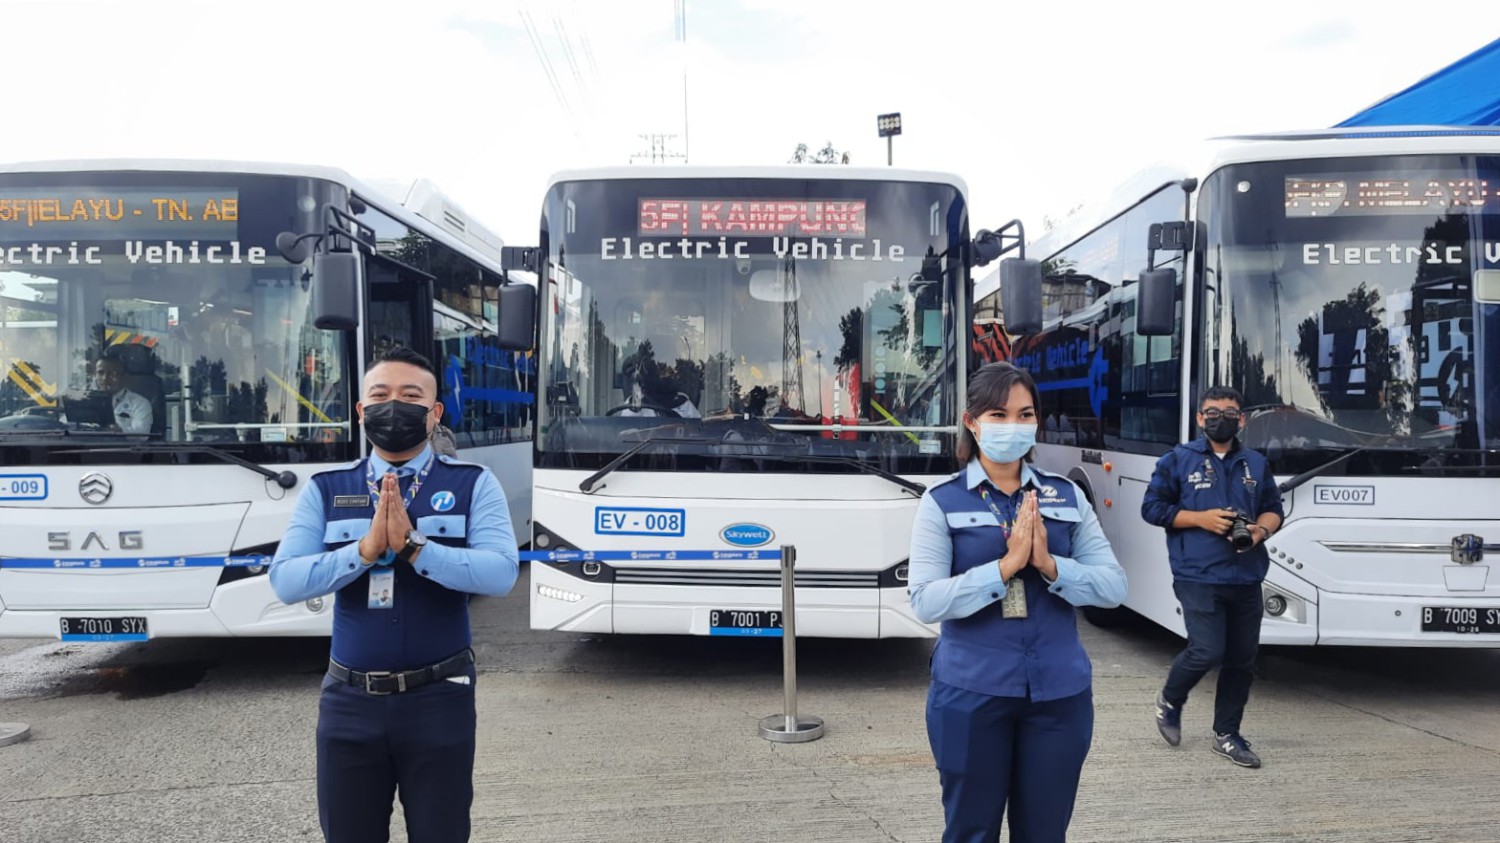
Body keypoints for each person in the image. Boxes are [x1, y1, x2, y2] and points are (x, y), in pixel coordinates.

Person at [270, 346, 519, 843]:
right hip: (349, 704)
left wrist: (415, 547)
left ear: (434, 412)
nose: (393, 407)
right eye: (380, 396)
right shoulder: (326, 488)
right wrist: (363, 551)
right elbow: (287, 581)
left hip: (439, 699)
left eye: (410, 396)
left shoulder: (472, 484)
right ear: (361, 410)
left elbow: (501, 574)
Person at [908, 361, 1127, 843]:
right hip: (971, 693)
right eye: (999, 415)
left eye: (1025, 414)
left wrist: (1050, 565)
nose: (1014, 425)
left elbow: (1113, 588)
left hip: (1059, 695)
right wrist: (1004, 569)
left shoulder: (1065, 496)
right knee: (971, 831)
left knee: (1045, 833)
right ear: (972, 422)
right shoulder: (942, 501)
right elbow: (924, 600)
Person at [1141, 385, 1284, 769]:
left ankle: (1227, 735)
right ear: (1200, 418)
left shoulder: (1255, 463)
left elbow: (1273, 509)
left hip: (1246, 575)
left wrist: (1260, 530)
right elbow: (1152, 508)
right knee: (1207, 650)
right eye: (1213, 413)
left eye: (1230, 413)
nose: (1222, 419)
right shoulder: (1178, 460)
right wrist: (1200, 519)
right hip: (1198, 574)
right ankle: (1171, 699)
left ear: (1242, 419)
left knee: (1242, 661)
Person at [94, 355, 152, 434]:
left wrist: (121, 431)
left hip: (121, 442)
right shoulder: (85, 399)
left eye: (112, 373)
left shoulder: (140, 403)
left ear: (124, 377)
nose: (104, 378)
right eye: (100, 373)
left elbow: (142, 434)